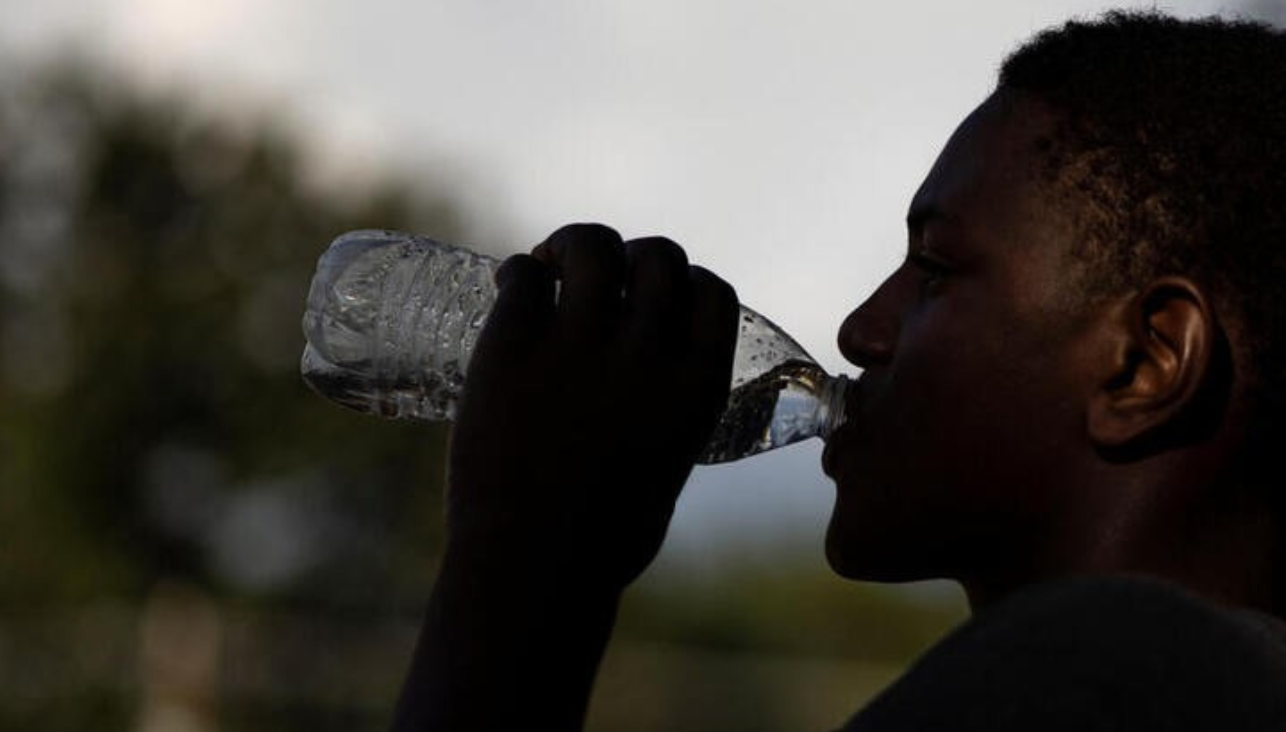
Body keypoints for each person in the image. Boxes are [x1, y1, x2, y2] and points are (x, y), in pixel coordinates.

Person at [389, 10, 1286, 731]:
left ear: (1146, 363)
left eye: (934, 270)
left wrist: (525, 551)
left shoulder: (1099, 677)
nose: (860, 330)